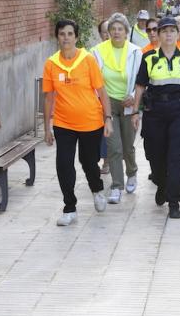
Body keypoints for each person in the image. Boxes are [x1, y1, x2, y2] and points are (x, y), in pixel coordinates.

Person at [43, 19, 114, 226]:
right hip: (63, 123)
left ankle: (97, 189)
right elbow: (48, 97)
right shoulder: (51, 64)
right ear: (57, 37)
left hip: (90, 122)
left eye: (70, 34)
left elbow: (101, 91)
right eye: (62, 34)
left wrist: (108, 118)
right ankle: (69, 208)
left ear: (76, 37)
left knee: (88, 161)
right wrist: (47, 128)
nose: (66, 38)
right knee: (63, 164)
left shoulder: (87, 60)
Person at [132, 17, 180, 219]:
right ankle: (161, 184)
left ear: (178, 34)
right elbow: (140, 86)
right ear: (158, 34)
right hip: (155, 111)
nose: (169, 34)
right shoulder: (149, 58)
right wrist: (135, 112)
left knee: (176, 157)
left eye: (172, 30)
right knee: (155, 156)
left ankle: (174, 202)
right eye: (164, 31)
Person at [91, 13, 143, 203]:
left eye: (120, 29)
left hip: (129, 103)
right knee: (114, 147)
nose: (116, 32)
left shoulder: (136, 52)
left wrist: (134, 97)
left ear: (127, 32)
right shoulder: (97, 51)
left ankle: (132, 172)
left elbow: (142, 80)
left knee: (128, 146)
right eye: (113, 29)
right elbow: (93, 79)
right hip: (108, 103)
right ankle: (117, 186)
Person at [96, 20, 110, 174]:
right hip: (99, 97)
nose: (107, 35)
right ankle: (104, 160)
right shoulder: (96, 52)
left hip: (116, 97)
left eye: (109, 31)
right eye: (104, 32)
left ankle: (108, 161)